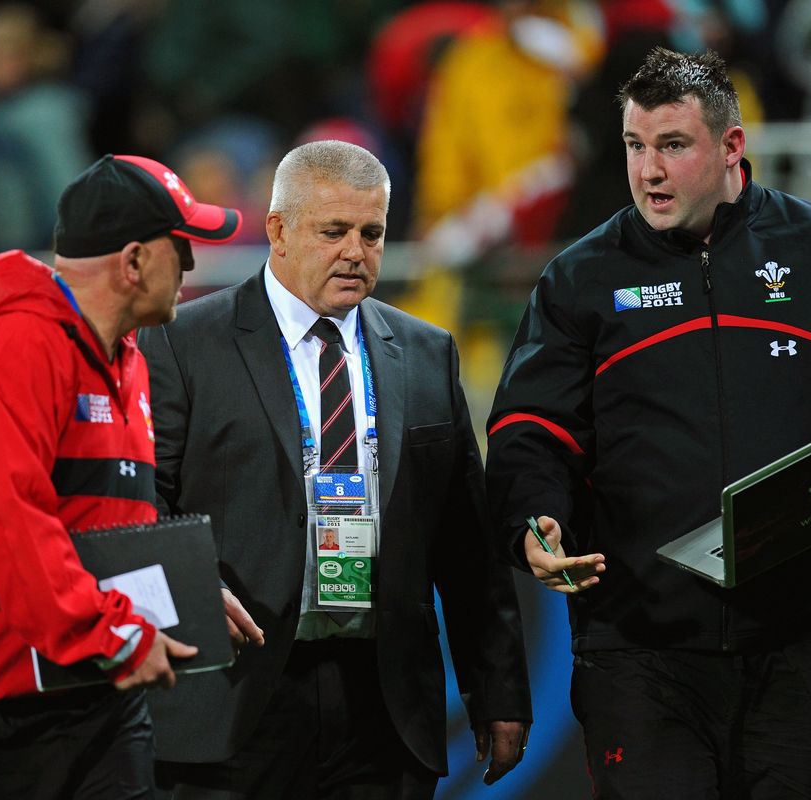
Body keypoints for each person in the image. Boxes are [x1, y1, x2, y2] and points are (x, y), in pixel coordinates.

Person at [485, 47, 811, 799]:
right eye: (635, 146)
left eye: (673, 146)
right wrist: (533, 519)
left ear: (732, 145)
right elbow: (529, 424)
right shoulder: (580, 277)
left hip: (802, 644)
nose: (648, 172)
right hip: (639, 652)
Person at [137, 139, 532, 798]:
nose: (356, 251)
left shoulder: (426, 352)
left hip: (383, 704)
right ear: (278, 231)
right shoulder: (183, 343)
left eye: (372, 233)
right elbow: (140, 502)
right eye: (334, 231)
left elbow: (466, 544)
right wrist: (190, 584)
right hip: (235, 697)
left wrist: (497, 690)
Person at [0, 153, 243, 799]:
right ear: (133, 261)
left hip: (94, 690)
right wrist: (110, 633)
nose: (192, 264)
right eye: (181, 246)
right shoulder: (12, 348)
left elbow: (106, 518)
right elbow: (3, 526)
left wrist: (184, 593)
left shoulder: (127, 357)